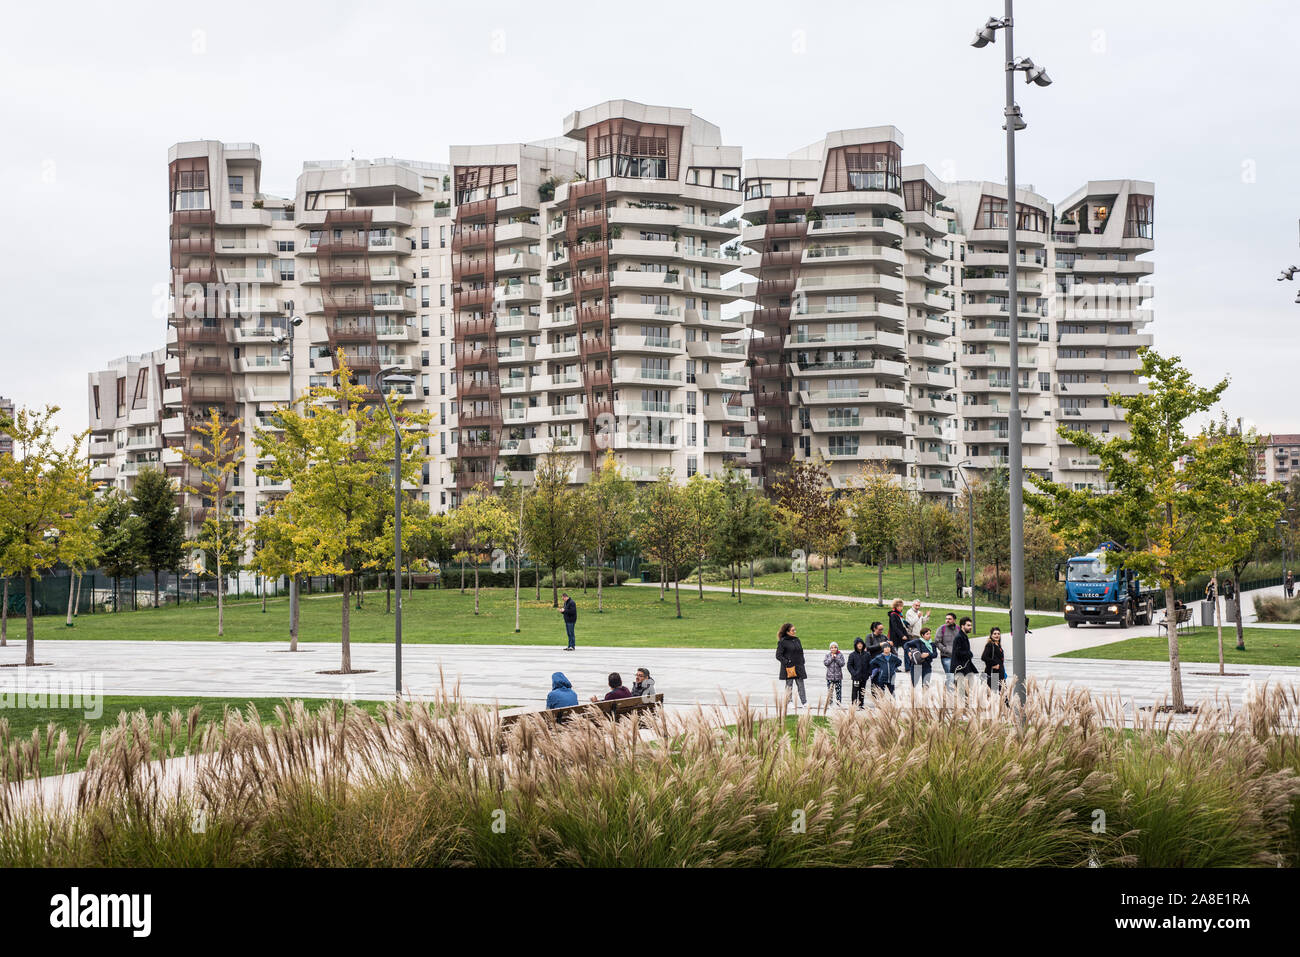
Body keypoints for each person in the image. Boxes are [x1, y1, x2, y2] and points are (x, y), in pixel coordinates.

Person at [776, 622, 808, 707]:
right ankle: (789, 701)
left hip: (799, 666)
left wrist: (802, 661)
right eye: (793, 630)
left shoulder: (797, 640)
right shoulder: (782, 642)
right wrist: (787, 662)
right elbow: (778, 655)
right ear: (787, 632)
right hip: (789, 667)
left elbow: (801, 652)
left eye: (795, 630)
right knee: (789, 685)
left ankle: (804, 702)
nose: (795, 631)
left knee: (801, 685)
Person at [934, 612, 960, 687]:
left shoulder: (959, 629)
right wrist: (945, 649)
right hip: (946, 657)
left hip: (957, 658)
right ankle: (949, 695)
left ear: (954, 620)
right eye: (946, 619)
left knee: (957, 677)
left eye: (949, 619)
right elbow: (937, 642)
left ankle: (949, 691)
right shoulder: (942, 628)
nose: (947, 620)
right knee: (950, 676)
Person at [847, 637, 872, 709]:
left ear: (863, 645)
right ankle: (854, 705)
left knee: (862, 691)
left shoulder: (867, 655)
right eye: (858, 644)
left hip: (864, 677)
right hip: (856, 677)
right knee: (855, 691)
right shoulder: (852, 655)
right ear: (855, 645)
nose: (860, 645)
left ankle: (861, 704)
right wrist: (854, 673)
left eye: (861, 644)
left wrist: (868, 673)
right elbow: (849, 665)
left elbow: (870, 665)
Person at [951, 616, 979, 681]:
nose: (970, 627)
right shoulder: (959, 637)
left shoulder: (964, 636)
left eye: (971, 625)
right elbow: (958, 652)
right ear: (962, 626)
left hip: (965, 668)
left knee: (968, 689)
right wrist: (969, 654)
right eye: (968, 625)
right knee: (961, 690)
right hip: (960, 669)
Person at [823, 641, 845, 706]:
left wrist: (837, 658)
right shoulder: (828, 655)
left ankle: (839, 703)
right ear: (830, 649)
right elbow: (826, 663)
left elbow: (842, 664)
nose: (833, 649)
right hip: (830, 677)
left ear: (837, 648)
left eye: (835, 647)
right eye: (832, 648)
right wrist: (832, 658)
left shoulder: (840, 655)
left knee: (838, 691)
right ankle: (830, 703)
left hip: (838, 677)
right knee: (830, 691)